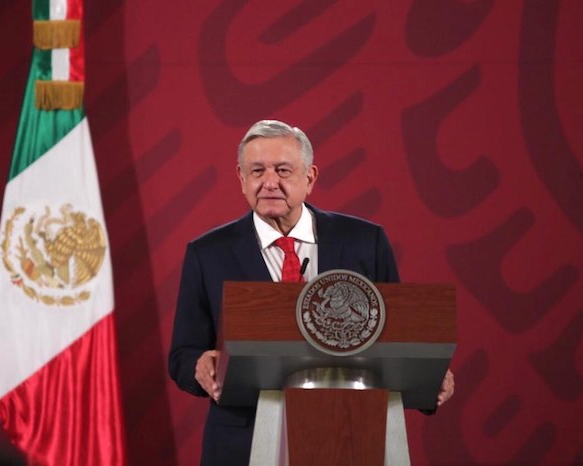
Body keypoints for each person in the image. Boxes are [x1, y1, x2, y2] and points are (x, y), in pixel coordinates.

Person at [168, 120, 455, 466]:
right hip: (243, 441)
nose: (269, 182)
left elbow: (396, 337)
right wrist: (200, 365)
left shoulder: (365, 242)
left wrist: (428, 381)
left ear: (310, 178)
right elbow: (183, 354)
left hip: (352, 434)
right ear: (241, 179)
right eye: (257, 171)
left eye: (283, 170)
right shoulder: (208, 252)